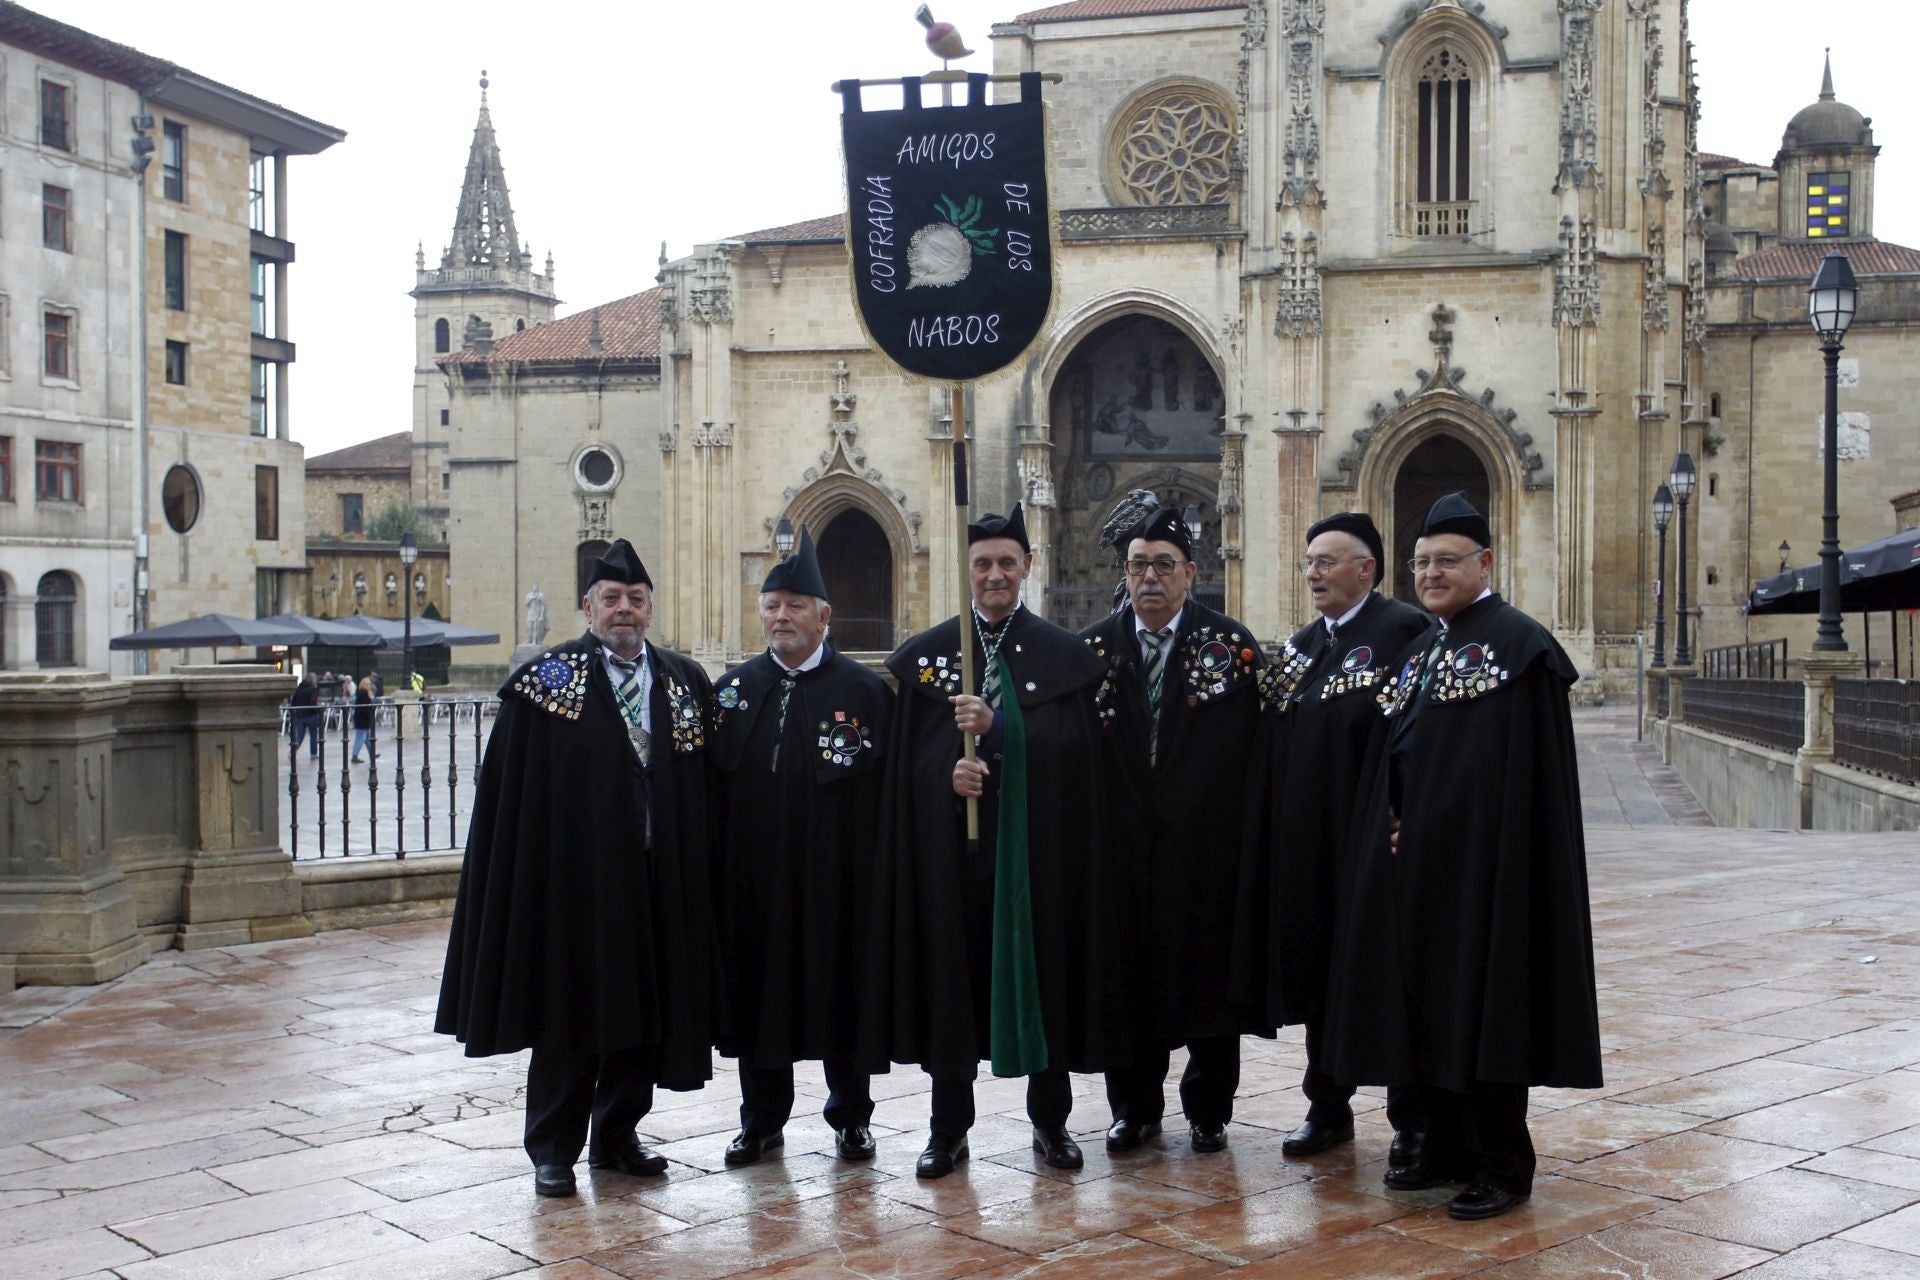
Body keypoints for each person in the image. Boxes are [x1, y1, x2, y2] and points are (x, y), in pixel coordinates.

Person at [1322, 493, 1602, 1220]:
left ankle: (1501, 1165)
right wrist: (1387, 818)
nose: (1432, 573)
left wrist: (1442, 829)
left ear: (1485, 562)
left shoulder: (1520, 646)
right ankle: (1439, 1146)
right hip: (1414, 877)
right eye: (1421, 563)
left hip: (1486, 872)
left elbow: (1514, 778)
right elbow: (1395, 754)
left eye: (1447, 560)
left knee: (1485, 1006)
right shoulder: (1422, 651)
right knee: (1424, 1015)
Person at [435, 538, 719, 1198]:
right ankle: (553, 1149)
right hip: (574, 887)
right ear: (587, 607)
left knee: (645, 1016)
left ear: (651, 608)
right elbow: (511, 794)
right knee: (570, 1015)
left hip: (660, 882)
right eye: (612, 599)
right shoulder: (548, 683)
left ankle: (618, 1137)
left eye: (636, 600)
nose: (625, 610)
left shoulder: (683, 681)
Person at [879, 505, 1127, 1179]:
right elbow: (906, 767)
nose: (994, 575)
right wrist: (945, 774)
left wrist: (1000, 731)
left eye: (1006, 563)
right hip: (951, 860)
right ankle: (947, 1129)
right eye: (983, 564)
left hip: (1035, 859)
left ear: (1027, 568)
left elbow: (1077, 759)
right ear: (968, 571)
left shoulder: (1063, 658)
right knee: (951, 987)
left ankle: (1051, 1123)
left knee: (1041, 977)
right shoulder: (927, 658)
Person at [1232, 511, 1427, 1161]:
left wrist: (1411, 816)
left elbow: (1422, 737)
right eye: (1308, 563)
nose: (1313, 573)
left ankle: (1413, 1118)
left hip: (1379, 843)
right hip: (1311, 845)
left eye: (1327, 561)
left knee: (1391, 976)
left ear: (1365, 569)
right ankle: (1327, 1106)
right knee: (1321, 972)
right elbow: (1268, 733)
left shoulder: (1406, 633)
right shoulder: (1301, 647)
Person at [1081, 502, 1265, 1156]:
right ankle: (1133, 1108)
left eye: (1164, 566)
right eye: (1138, 567)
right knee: (1125, 979)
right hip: (1121, 851)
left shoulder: (1232, 647)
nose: (1150, 578)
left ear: (1190, 572)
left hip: (1206, 849)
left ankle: (1209, 1109)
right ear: (1125, 575)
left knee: (1210, 980)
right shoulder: (1092, 653)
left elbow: (1254, 753)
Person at [710, 529, 891, 1167]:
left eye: (794, 605)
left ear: (824, 616)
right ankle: (761, 1121)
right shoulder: (730, 695)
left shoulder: (867, 694)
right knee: (761, 999)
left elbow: (889, 793)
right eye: (772, 606)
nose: (781, 617)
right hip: (752, 883)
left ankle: (851, 1119)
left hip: (838, 881)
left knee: (841, 991)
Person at [290, 673, 321, 759]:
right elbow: (313, 702)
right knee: (313, 735)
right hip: (311, 715)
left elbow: (293, 702)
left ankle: (292, 751)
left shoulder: (298, 689)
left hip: (300, 715)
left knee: (299, 736)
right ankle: (313, 754)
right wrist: (317, 710)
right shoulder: (313, 689)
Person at [349, 676, 375, 762]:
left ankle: (372, 753)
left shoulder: (364, 693)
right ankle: (354, 756)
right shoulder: (363, 693)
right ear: (363, 684)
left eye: (369, 684)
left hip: (363, 719)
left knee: (367, 738)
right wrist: (370, 715)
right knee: (360, 738)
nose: (369, 686)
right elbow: (365, 708)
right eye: (367, 684)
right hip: (362, 719)